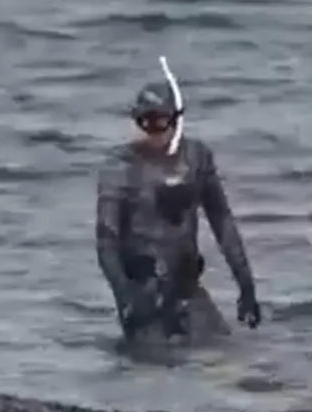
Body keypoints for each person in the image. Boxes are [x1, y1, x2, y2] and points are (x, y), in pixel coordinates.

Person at [95, 72, 261, 341]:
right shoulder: (120, 167)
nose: (152, 132)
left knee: (226, 360)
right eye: (144, 122)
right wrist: (125, 297)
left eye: (160, 122)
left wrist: (246, 286)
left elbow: (223, 222)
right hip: (143, 292)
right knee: (155, 372)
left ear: (176, 121)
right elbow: (106, 242)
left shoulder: (196, 158)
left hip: (186, 287)